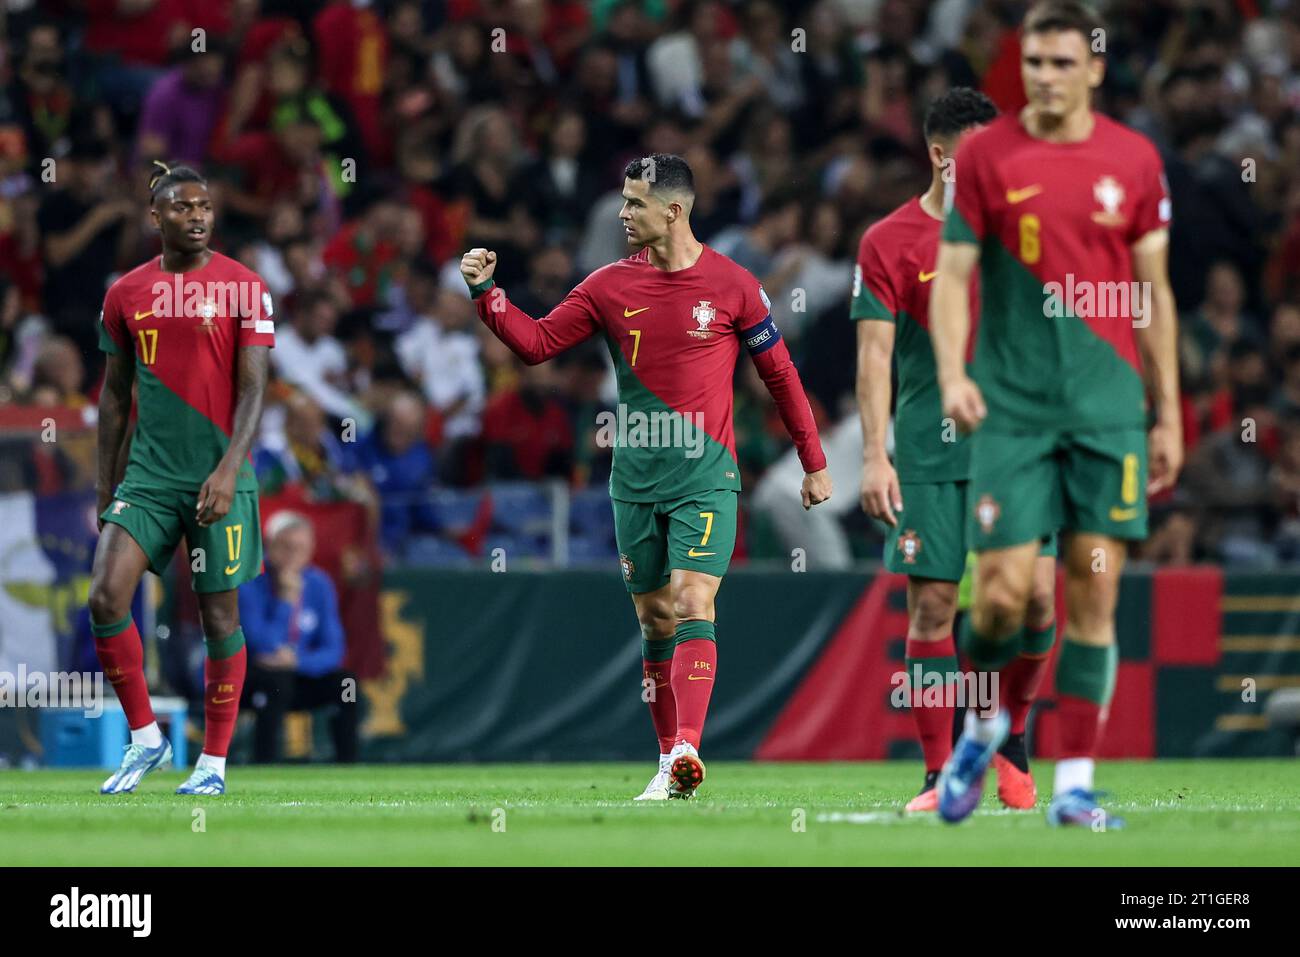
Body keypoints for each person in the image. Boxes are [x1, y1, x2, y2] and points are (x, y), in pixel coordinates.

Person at [460, 153, 831, 800]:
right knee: (656, 621)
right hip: (633, 479)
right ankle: (667, 763)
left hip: (706, 476)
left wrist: (814, 459)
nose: (623, 214)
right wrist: (488, 296)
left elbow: (780, 375)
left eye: (634, 203)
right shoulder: (606, 285)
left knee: (693, 601)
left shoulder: (735, 284)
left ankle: (688, 744)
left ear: (674, 211)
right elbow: (538, 343)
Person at [929, 1, 1181, 826]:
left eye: (1062, 63)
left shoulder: (1135, 160)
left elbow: (1152, 294)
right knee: (1001, 599)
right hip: (1012, 411)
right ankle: (983, 728)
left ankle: (1074, 784)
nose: (1045, 77)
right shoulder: (989, 158)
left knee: (1091, 595)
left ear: (1094, 68)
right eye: (1033, 62)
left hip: (1107, 414)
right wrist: (952, 374)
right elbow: (956, 277)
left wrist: (1168, 411)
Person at [854, 88, 1060, 813]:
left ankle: (1012, 743)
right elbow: (874, 357)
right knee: (935, 608)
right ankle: (939, 773)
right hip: (929, 452)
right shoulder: (888, 241)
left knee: (1035, 597)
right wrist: (874, 455)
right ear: (942, 157)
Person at [90, 161, 275, 796]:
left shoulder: (246, 287)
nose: (196, 216)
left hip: (219, 476)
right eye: (183, 207)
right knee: (105, 598)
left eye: (205, 207)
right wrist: (102, 487)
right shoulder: (125, 293)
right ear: (156, 216)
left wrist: (229, 469)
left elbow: (255, 391)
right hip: (147, 476)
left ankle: (213, 765)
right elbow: (114, 399)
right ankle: (145, 738)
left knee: (219, 619)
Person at [239, 511, 357, 764]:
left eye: (301, 548)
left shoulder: (319, 584)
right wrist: (284, 601)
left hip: (299, 672)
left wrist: (298, 661)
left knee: (347, 684)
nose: (293, 555)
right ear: (269, 546)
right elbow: (260, 644)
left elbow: (334, 649)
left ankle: (349, 766)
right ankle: (264, 765)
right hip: (255, 677)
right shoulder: (250, 581)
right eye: (286, 547)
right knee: (274, 681)